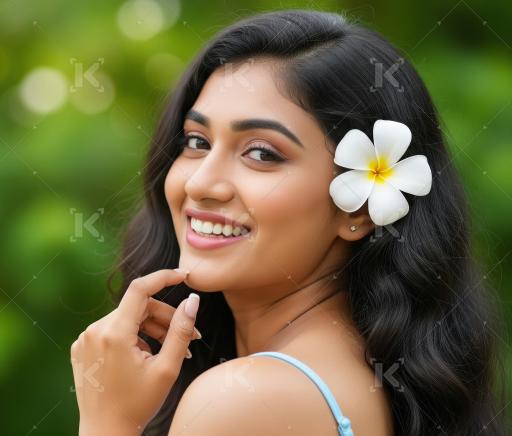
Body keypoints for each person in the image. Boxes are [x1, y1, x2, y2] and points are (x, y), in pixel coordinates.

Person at [70, 9, 507, 435]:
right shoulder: (364, 378)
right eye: (197, 142)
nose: (201, 183)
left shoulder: (242, 401)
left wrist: (109, 421)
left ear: (357, 208)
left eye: (261, 153)